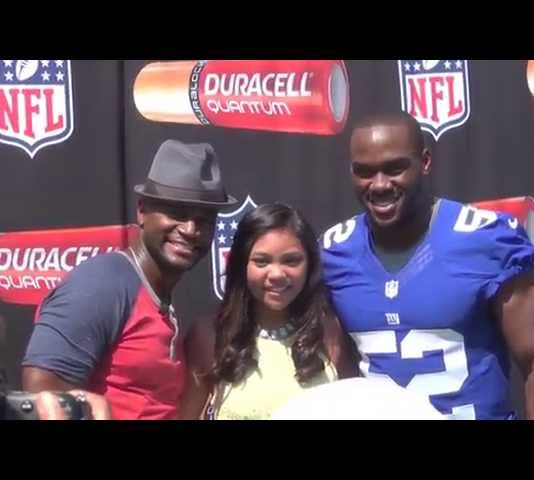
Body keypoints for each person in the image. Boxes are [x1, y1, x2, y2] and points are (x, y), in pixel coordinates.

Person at [320, 111, 534, 420]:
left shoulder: (487, 241)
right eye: (365, 172)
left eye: (395, 168)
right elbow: (339, 371)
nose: (380, 184)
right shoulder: (334, 252)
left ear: (425, 162)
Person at [21, 139, 237, 419]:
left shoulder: (161, 295)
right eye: (177, 213)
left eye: (204, 219)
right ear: (142, 210)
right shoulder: (101, 284)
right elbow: (45, 396)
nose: (190, 229)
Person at [181, 203, 358, 420]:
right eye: (262, 261)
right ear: (241, 264)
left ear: (309, 264)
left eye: (291, 261)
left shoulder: (328, 329)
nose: (276, 274)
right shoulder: (210, 334)